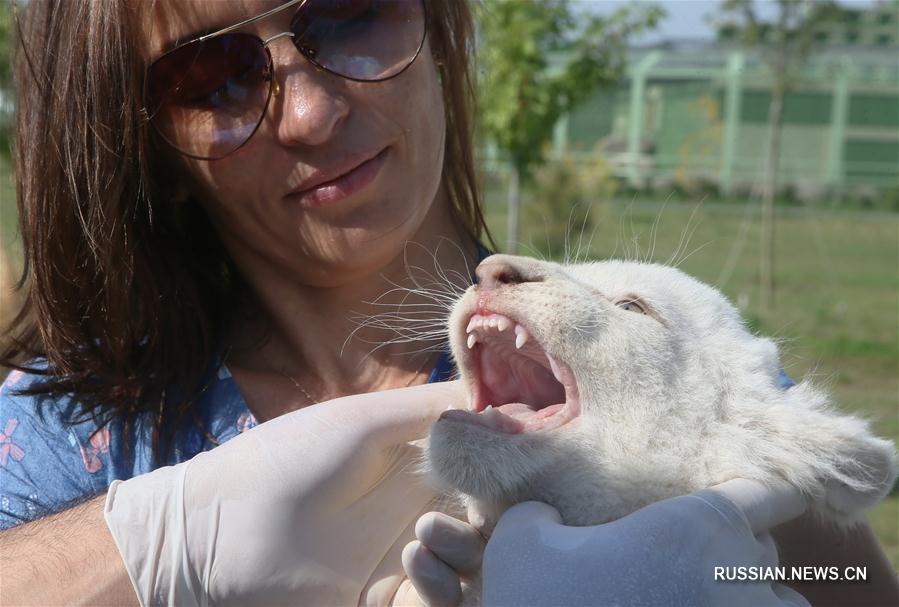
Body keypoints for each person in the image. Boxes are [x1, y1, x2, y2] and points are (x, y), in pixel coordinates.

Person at [0, 1, 895, 606]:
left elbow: (838, 572)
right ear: (137, 137)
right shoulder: (67, 434)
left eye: (348, 12)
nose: (309, 113)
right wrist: (156, 542)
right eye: (210, 80)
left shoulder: (673, 359)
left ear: (437, 23)